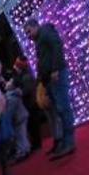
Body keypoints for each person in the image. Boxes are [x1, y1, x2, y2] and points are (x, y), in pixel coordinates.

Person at [23, 18, 75, 160]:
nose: (28, 35)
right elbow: (43, 61)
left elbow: (57, 46)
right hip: (49, 80)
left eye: (29, 31)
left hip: (56, 76)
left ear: (35, 26)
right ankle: (64, 142)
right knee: (59, 110)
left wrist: (55, 69)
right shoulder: (39, 39)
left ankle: (69, 142)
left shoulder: (46, 32)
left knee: (63, 108)